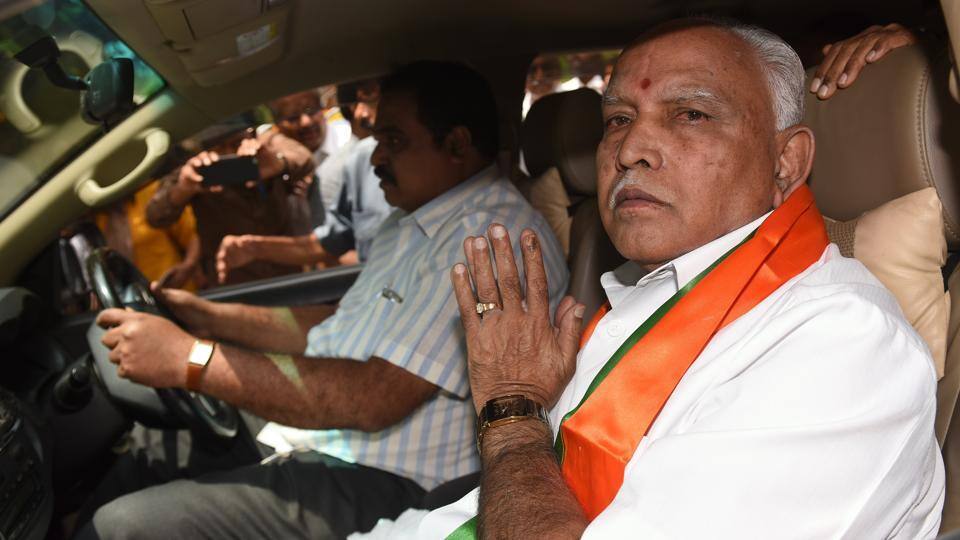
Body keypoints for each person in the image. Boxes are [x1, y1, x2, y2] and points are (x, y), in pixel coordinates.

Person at [417, 17, 943, 538]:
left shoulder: (842, 348)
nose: (630, 150)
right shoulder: (639, 294)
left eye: (691, 115)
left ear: (785, 162)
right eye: (618, 119)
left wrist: (512, 410)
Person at [77, 60, 569, 539]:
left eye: (393, 141)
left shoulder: (485, 240)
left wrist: (191, 358)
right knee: (149, 446)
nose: (375, 158)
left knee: (124, 526)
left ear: (457, 144)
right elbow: (334, 325)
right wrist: (205, 316)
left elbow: (374, 399)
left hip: (382, 479)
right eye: (377, 140)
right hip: (328, 435)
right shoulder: (412, 220)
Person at [215, 80, 393, 283]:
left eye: (311, 110)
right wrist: (253, 247)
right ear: (277, 125)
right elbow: (327, 245)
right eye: (292, 117)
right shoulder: (358, 159)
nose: (306, 122)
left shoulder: (355, 150)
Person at [146, 117, 315, 286]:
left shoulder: (266, 144)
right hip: (232, 281)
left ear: (250, 134)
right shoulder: (194, 167)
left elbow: (304, 158)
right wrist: (183, 189)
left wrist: (278, 163)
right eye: (219, 147)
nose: (229, 153)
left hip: (288, 272)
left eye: (236, 144)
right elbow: (155, 216)